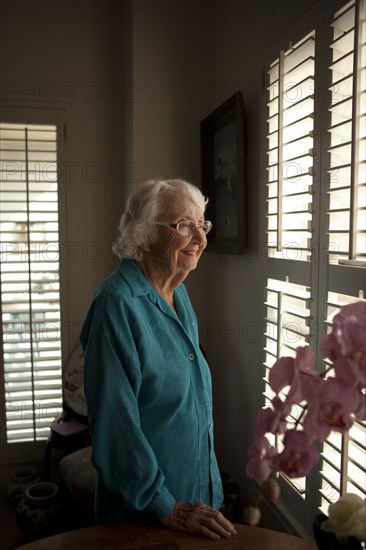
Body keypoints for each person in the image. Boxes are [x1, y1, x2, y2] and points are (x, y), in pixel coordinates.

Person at [80, 178, 236, 540]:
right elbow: (115, 427)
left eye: (202, 224)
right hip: (146, 516)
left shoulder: (178, 295)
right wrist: (165, 505)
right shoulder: (117, 304)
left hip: (195, 501)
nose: (200, 238)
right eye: (184, 225)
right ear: (145, 234)